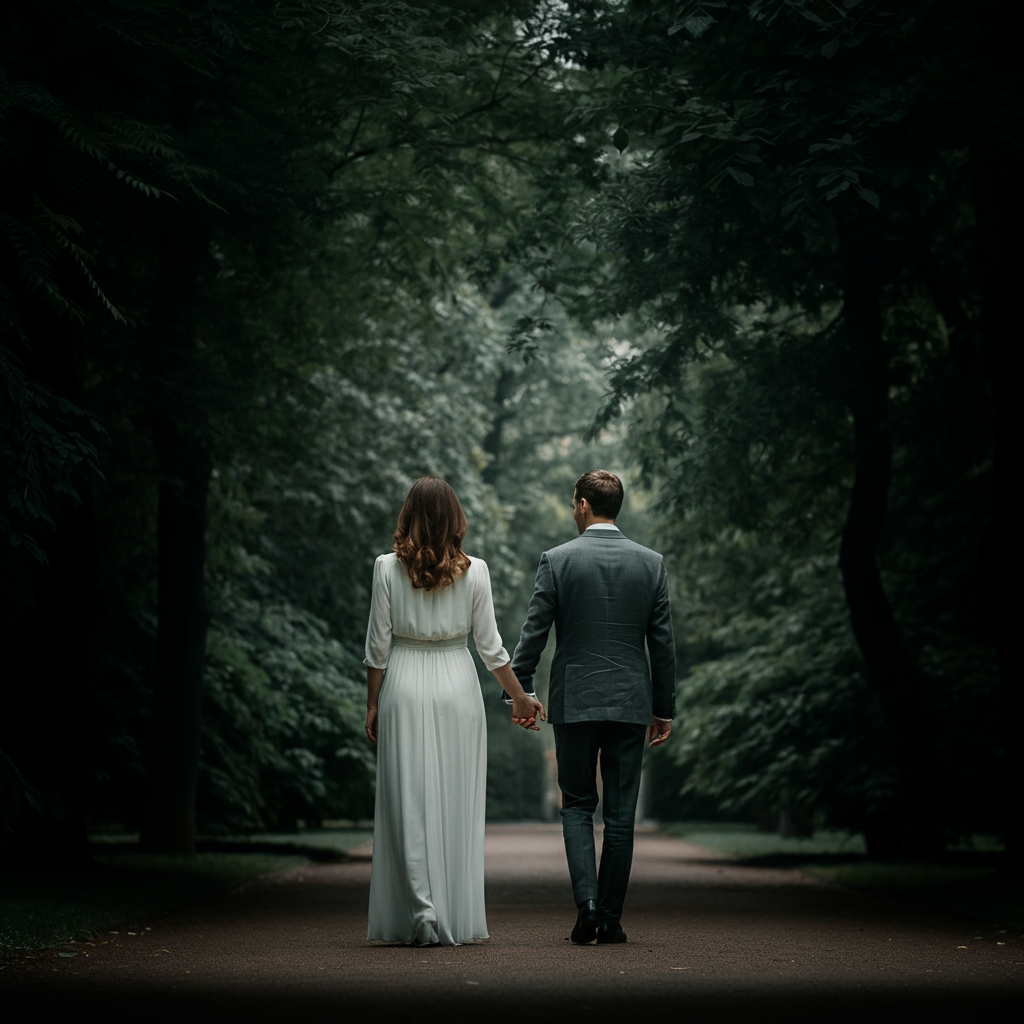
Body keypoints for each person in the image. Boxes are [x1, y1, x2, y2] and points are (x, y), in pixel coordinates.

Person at [363, 477, 542, 946]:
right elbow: (491, 649)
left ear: (408, 515)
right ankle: (446, 910)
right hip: (457, 686)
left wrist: (372, 702)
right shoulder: (475, 570)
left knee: (407, 799)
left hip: (403, 681)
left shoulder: (385, 568)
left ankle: (422, 912)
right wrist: (520, 697)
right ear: (455, 517)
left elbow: (376, 647)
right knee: (453, 799)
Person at [509, 469, 675, 945]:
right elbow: (662, 645)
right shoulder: (651, 564)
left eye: (572, 503)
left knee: (578, 806)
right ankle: (612, 918)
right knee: (621, 814)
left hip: (575, 702)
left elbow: (534, 633)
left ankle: (586, 909)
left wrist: (520, 692)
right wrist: (663, 708)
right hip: (629, 704)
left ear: (583, 504)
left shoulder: (557, 560)